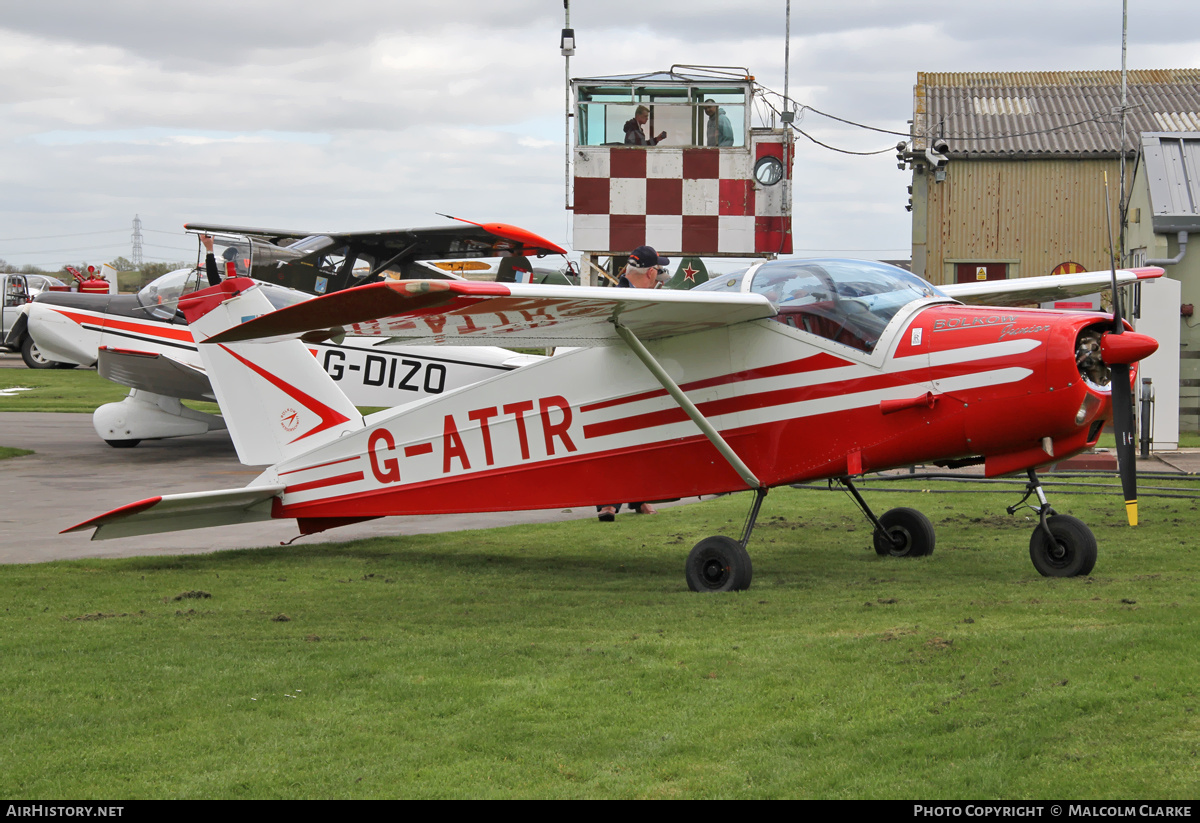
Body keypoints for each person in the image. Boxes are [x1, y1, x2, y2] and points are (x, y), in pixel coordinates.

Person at [598, 245, 669, 522]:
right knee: (612, 440)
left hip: (638, 374)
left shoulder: (634, 292)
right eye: (658, 269)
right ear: (651, 272)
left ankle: (639, 499)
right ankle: (607, 503)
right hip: (616, 375)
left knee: (644, 438)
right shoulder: (618, 295)